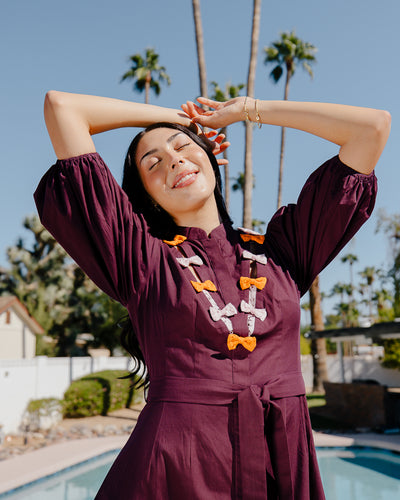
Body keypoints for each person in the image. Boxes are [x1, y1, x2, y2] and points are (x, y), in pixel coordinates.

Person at [34, 91, 390, 500]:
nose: (173, 160)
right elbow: (63, 108)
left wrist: (242, 112)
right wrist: (181, 119)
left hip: (283, 458)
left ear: (212, 161)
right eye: (154, 164)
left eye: (183, 146)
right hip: (176, 467)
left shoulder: (284, 250)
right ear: (147, 196)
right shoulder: (141, 258)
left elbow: (371, 128)